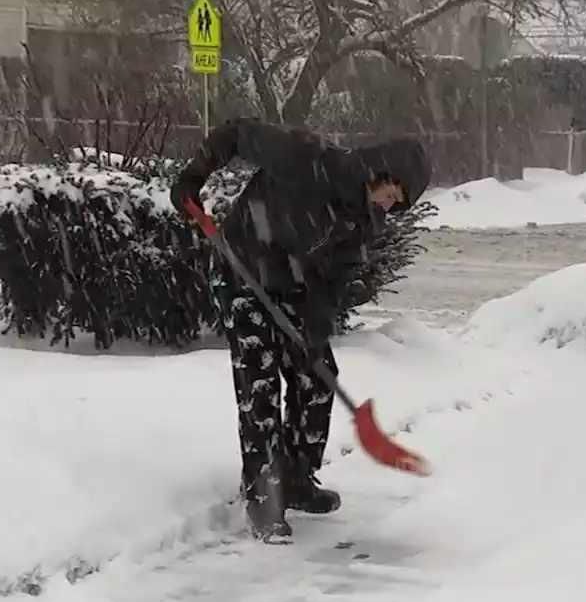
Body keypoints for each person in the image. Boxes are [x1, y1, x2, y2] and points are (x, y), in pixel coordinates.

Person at [170, 117, 430, 542]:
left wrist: (316, 330)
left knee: (317, 378)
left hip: (294, 289)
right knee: (260, 383)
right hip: (244, 270)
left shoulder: (364, 223)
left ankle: (295, 477)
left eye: (397, 203)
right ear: (381, 172)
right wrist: (195, 175)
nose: (388, 205)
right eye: (391, 193)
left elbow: (334, 284)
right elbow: (236, 133)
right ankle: (262, 497)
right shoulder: (309, 159)